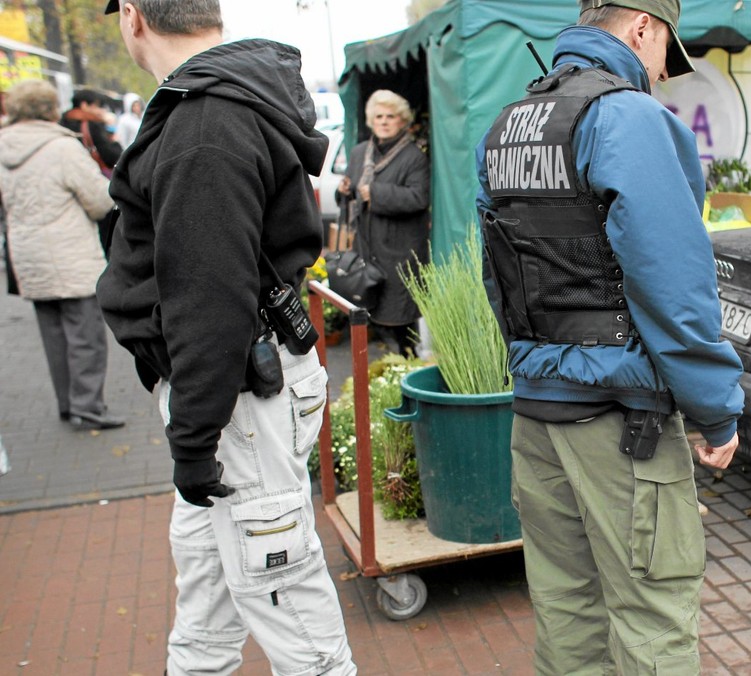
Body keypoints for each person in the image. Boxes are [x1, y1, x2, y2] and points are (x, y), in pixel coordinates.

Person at [476, 0, 744, 672]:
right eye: (664, 58)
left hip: (536, 416)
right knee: (652, 617)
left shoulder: (510, 124)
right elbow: (672, 284)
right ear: (642, 27)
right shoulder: (628, 116)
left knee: (567, 612)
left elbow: (498, 275)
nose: (660, 76)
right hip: (619, 424)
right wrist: (716, 410)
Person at [98, 1, 355, 674]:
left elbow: (210, 305)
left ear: (133, 15)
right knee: (211, 597)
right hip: (241, 395)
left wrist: (193, 438)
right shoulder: (226, 99)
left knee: (288, 605)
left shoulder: (204, 124)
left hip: (236, 401)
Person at [0, 79, 123, 431]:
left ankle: (68, 404)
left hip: (26, 256)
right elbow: (100, 201)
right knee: (85, 337)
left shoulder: (3, 146)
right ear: (50, 108)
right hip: (69, 253)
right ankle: (89, 407)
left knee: (53, 336)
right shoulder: (62, 148)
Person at [335, 89, 430, 355]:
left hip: (399, 250)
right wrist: (344, 190)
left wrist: (374, 193)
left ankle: (407, 363)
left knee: (401, 317)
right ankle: (385, 366)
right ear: (370, 120)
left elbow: (418, 198)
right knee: (369, 309)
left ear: (402, 121)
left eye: (391, 116)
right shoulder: (360, 153)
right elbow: (352, 189)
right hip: (367, 246)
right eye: (379, 116)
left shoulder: (414, 156)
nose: (384, 121)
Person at [59, 88, 123, 173]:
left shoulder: (61, 122)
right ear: (84, 105)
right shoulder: (93, 125)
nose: (100, 111)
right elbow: (112, 157)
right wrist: (114, 139)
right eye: (97, 106)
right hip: (88, 174)